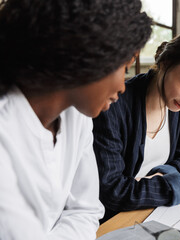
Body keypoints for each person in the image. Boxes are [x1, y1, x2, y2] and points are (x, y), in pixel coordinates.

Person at [0, 0, 152, 239]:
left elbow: (87, 211)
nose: (123, 86)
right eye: (124, 68)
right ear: (89, 55)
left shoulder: (76, 117)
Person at [93, 30, 180, 222]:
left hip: (156, 210)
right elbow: (113, 191)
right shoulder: (112, 106)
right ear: (165, 62)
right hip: (115, 219)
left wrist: (157, 179)